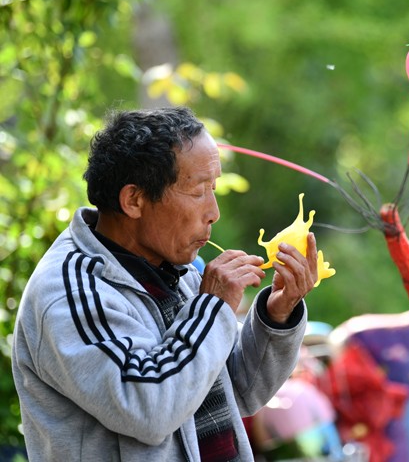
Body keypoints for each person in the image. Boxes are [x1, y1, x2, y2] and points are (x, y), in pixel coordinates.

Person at [11, 106, 319, 462]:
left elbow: (233, 391)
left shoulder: (176, 266)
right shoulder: (70, 293)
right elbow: (148, 409)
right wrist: (213, 306)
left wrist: (276, 315)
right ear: (134, 200)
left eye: (214, 189)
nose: (214, 212)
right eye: (198, 191)